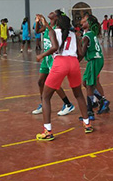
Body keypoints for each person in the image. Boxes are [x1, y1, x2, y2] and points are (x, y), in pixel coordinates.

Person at [35, 12, 93, 141]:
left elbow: (55, 47)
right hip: (74, 63)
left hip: (60, 63)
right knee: (78, 95)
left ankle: (48, 131)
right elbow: (80, 52)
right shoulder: (73, 35)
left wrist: (41, 55)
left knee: (45, 97)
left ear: (58, 23)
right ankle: (87, 123)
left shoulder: (54, 32)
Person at [32, 11, 76, 117]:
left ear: (56, 17)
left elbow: (51, 33)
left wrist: (44, 21)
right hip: (46, 59)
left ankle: (68, 104)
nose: (50, 12)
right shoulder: (47, 27)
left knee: (54, 84)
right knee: (40, 82)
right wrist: (37, 22)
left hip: (53, 57)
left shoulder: (56, 28)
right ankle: (43, 103)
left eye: (52, 12)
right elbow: (37, 31)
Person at [79, 14, 110, 118]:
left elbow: (82, 53)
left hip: (94, 60)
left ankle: (90, 111)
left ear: (89, 24)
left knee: (89, 84)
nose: (82, 22)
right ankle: (102, 101)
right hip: (96, 60)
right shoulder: (90, 33)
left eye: (85, 21)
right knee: (86, 82)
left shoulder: (87, 36)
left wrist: (75, 61)